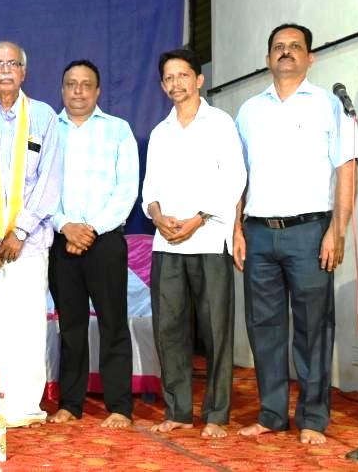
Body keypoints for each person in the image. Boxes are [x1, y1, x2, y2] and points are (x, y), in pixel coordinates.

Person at [234, 23, 357, 445]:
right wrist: (236, 228)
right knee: (264, 328)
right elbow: (238, 176)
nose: (286, 52)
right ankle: (272, 414)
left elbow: (346, 170)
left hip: (310, 232)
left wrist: (337, 230)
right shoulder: (249, 110)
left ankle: (313, 418)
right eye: (278, 47)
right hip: (259, 233)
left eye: (295, 47)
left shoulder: (329, 106)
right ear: (268, 58)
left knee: (313, 328)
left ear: (310, 57)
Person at [141, 49, 245, 439]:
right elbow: (149, 189)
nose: (176, 83)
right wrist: (156, 215)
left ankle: (216, 414)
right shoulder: (160, 132)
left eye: (183, 75)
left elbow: (235, 178)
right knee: (169, 330)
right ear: (162, 85)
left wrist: (198, 218)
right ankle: (179, 411)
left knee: (216, 330)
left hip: (210, 239)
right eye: (169, 78)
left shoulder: (220, 124)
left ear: (198, 79)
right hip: (166, 244)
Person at [0, 41, 62, 428]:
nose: (5, 69)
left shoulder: (44, 116)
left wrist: (19, 231)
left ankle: (23, 406)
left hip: (29, 243)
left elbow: (49, 179)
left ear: (24, 71)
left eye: (13, 63)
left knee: (27, 325)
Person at [46, 60, 139, 429]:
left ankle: (120, 406)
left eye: (86, 84)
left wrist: (90, 230)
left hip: (105, 241)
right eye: (71, 84)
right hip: (61, 240)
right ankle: (71, 403)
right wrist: (65, 226)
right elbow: (39, 187)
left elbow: (127, 189)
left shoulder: (118, 129)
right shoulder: (48, 130)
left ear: (98, 90)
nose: (79, 91)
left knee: (113, 323)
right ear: (62, 89)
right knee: (70, 326)